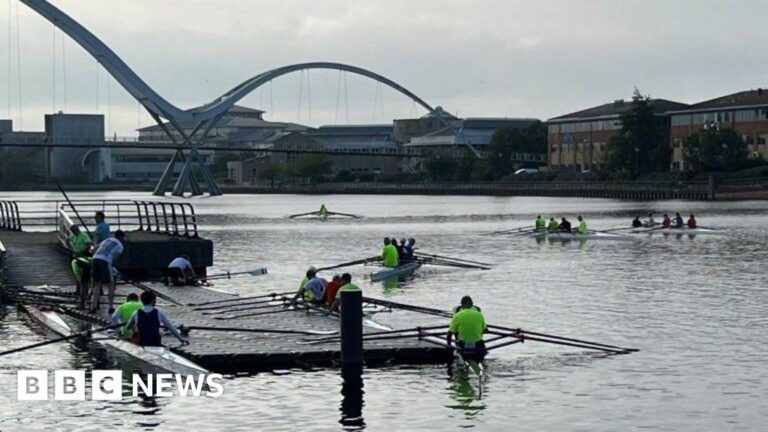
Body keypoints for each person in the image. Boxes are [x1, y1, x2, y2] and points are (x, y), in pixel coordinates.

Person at [123, 291, 188, 346]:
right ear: (153, 301)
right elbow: (170, 327)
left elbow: (128, 327)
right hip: (155, 343)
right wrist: (180, 339)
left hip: (141, 343)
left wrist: (135, 327)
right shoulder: (158, 313)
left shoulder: (136, 313)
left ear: (142, 301)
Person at [91, 230, 126, 313]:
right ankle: (110, 307)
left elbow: (94, 249)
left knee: (97, 284)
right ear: (121, 237)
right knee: (111, 285)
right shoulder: (120, 246)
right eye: (124, 237)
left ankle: (94, 307)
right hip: (105, 261)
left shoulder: (107, 239)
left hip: (95, 259)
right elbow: (114, 258)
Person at [447, 296, 487, 363]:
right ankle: (479, 360)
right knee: (481, 343)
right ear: (472, 304)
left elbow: (449, 334)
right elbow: (485, 330)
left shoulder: (457, 315)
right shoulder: (479, 314)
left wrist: (449, 347)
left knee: (456, 331)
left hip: (462, 344)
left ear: (462, 305)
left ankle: (463, 355)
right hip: (478, 344)